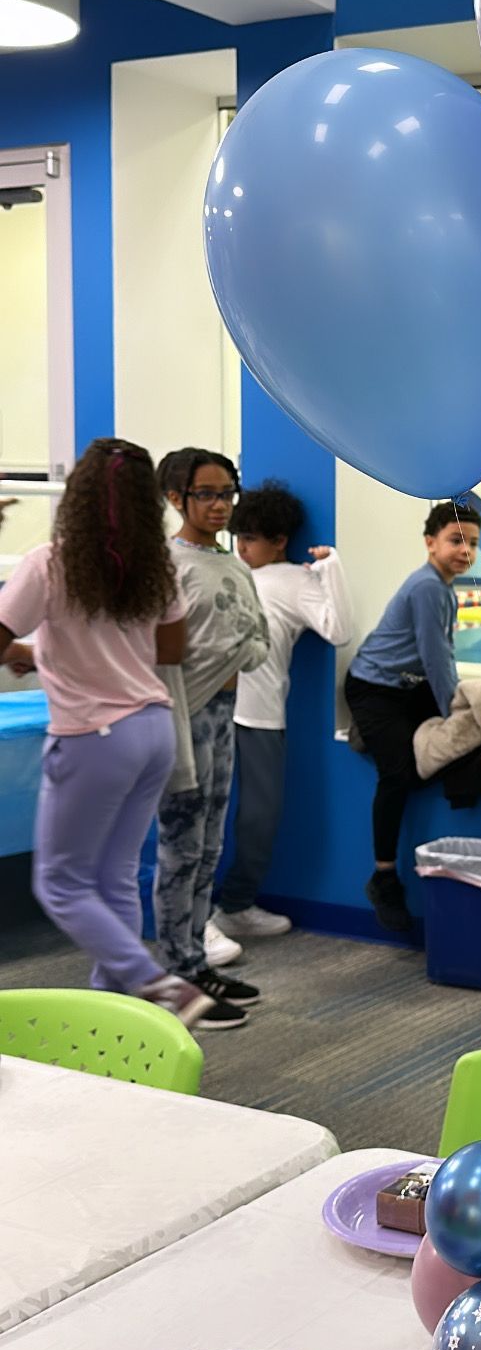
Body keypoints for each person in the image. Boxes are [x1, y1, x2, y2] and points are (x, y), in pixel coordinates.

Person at [0, 438, 206, 1024]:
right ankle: (115, 1015)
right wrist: (47, 651)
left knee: (61, 883)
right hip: (153, 730)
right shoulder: (154, 568)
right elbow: (168, 650)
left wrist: (37, 648)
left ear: (79, 497)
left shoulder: (50, 563)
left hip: (96, 738)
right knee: (114, 876)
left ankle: (157, 985)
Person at [205, 480, 354, 952]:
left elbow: (339, 630)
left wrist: (331, 568)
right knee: (200, 815)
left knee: (259, 817)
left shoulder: (295, 581)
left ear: (279, 542)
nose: (242, 547)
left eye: (251, 538)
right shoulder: (224, 570)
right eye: (238, 537)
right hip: (206, 705)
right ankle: (195, 921)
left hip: (260, 712)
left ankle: (235, 906)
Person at [154, 449, 270, 1030]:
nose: (221, 504)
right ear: (177, 498)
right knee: (180, 847)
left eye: (228, 492)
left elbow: (255, 639)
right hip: (180, 717)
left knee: (209, 847)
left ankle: (196, 960)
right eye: (207, 494)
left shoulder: (234, 567)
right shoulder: (167, 565)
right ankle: (175, 973)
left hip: (223, 716)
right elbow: (162, 654)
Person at [344, 500, 481, 933]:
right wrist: (455, 712)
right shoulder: (426, 587)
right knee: (399, 774)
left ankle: (380, 735)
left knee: (476, 730)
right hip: (374, 689)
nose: (466, 551)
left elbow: (444, 658)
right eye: (456, 540)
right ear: (430, 542)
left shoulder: (442, 587)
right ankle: (383, 876)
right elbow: (436, 659)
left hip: (406, 687)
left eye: (474, 544)